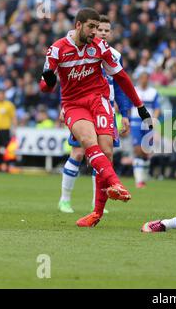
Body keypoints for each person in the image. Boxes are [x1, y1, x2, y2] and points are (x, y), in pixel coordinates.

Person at [39, 8, 152, 227]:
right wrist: (49, 82)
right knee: (87, 145)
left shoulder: (100, 47)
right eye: (92, 27)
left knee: (107, 151)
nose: (96, 32)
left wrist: (138, 106)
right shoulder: (57, 50)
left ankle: (96, 213)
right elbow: (44, 86)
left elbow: (121, 77)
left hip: (99, 100)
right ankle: (115, 185)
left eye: (99, 28)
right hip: (73, 104)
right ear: (78, 25)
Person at [57, 15, 131, 214]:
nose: (104, 33)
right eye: (100, 30)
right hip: (82, 106)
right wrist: (63, 107)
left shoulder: (114, 54)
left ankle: (96, 203)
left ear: (111, 33)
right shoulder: (82, 50)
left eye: (107, 30)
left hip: (105, 107)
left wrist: (124, 112)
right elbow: (67, 80)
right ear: (93, 31)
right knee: (79, 153)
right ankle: (64, 199)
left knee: (105, 154)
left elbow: (121, 84)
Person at [129, 71, 161, 188]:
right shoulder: (133, 90)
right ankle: (139, 180)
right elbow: (128, 106)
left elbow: (157, 108)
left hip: (148, 123)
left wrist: (154, 120)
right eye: (142, 78)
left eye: (146, 78)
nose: (144, 80)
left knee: (146, 151)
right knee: (137, 149)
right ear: (139, 79)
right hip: (136, 122)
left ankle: (144, 177)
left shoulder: (153, 93)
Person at [0, 89, 17, 172]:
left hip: (5, 130)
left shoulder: (9, 105)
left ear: (4, 95)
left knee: (6, 148)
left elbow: (13, 117)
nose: (0, 96)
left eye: (2, 94)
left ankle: (5, 164)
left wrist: (15, 128)